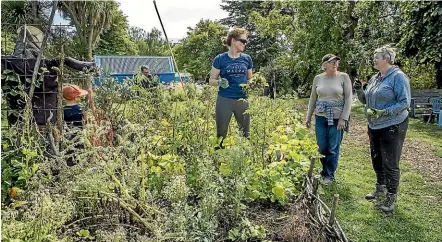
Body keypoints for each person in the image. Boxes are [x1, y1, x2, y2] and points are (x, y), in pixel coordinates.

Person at [354, 45, 411, 213]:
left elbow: (405, 102)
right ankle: (380, 188)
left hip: (393, 124)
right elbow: (366, 101)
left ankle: (391, 196)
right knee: (376, 158)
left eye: (376, 57)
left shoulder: (398, 77)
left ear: (386, 59)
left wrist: (384, 112)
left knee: (390, 162)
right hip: (374, 125)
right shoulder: (375, 78)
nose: (374, 59)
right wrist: (359, 89)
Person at [306, 54, 352, 185]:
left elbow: (349, 98)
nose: (335, 64)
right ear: (324, 65)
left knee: (333, 147)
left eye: (336, 61)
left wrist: (344, 118)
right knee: (322, 147)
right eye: (332, 62)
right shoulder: (318, 78)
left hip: (338, 118)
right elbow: (313, 98)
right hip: (320, 117)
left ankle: (329, 174)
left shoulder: (343, 77)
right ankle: (324, 170)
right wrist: (308, 116)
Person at [209, 27, 253, 149]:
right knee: (221, 133)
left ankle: (245, 158)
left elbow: (250, 78)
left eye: (246, 42)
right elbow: (211, 80)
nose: (245, 44)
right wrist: (219, 82)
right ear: (233, 40)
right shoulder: (220, 59)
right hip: (224, 99)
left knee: (245, 133)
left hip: (242, 100)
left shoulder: (247, 59)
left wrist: (251, 83)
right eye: (243, 41)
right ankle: (219, 159)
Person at [63, 84, 89, 166]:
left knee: (69, 152)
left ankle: (69, 165)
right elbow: (85, 121)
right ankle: (79, 166)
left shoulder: (62, 110)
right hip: (79, 134)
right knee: (80, 152)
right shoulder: (80, 109)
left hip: (67, 135)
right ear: (75, 97)